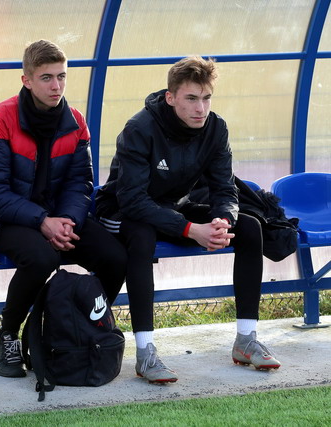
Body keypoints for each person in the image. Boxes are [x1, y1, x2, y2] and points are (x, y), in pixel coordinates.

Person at [96, 56, 281, 384]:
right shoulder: (139, 128)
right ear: (171, 97)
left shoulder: (216, 128)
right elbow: (132, 200)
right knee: (142, 236)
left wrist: (222, 221)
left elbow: (225, 189)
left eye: (207, 98)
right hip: (122, 211)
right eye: (191, 98)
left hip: (174, 208)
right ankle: (145, 352)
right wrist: (190, 229)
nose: (201, 108)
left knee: (249, 227)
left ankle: (246, 339)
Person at [0, 40, 127, 378]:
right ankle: (7, 334)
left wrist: (68, 221)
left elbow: (80, 183)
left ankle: (81, 327)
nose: (56, 86)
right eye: (47, 77)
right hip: (1, 218)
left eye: (62, 77)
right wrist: (43, 221)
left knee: (115, 257)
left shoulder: (76, 121)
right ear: (27, 80)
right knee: (41, 258)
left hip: (57, 216)